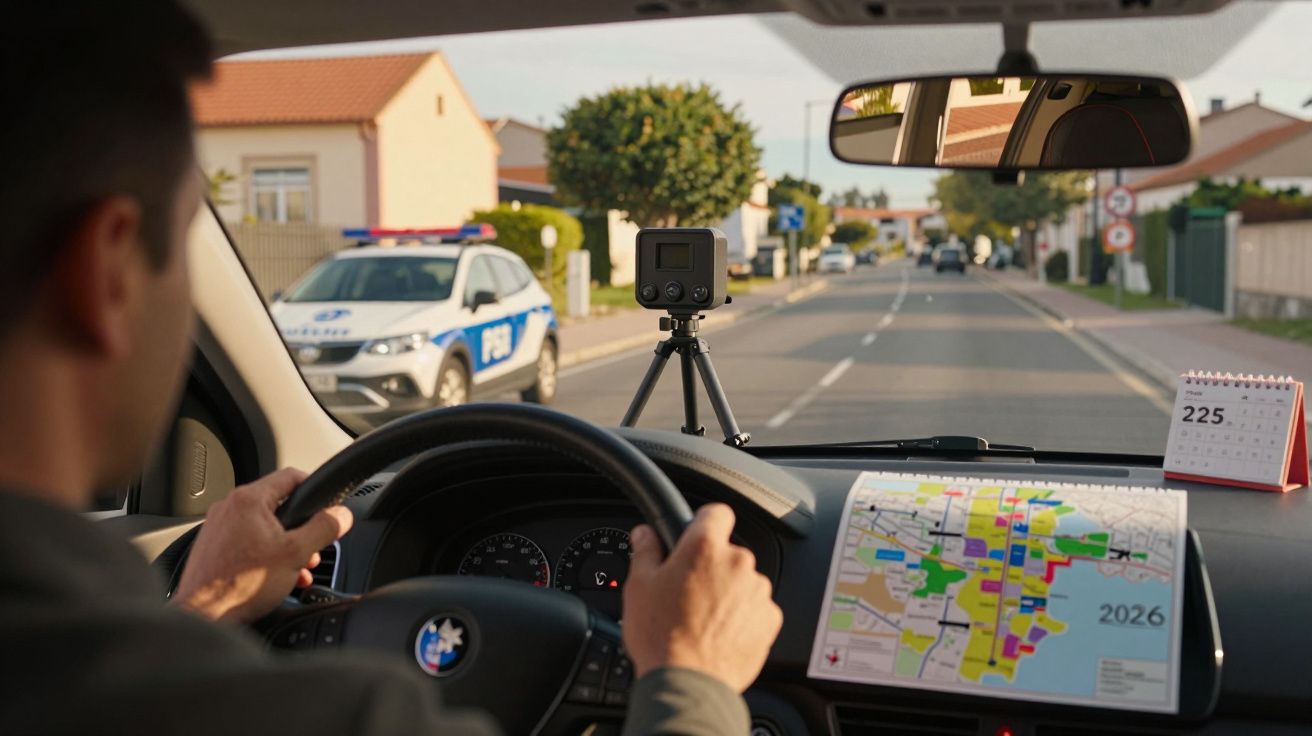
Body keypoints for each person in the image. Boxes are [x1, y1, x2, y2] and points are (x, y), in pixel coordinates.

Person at [0, 3, 782, 735]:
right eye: (179, 257)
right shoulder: (340, 716)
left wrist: (203, 604)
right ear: (103, 273)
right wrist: (691, 676)